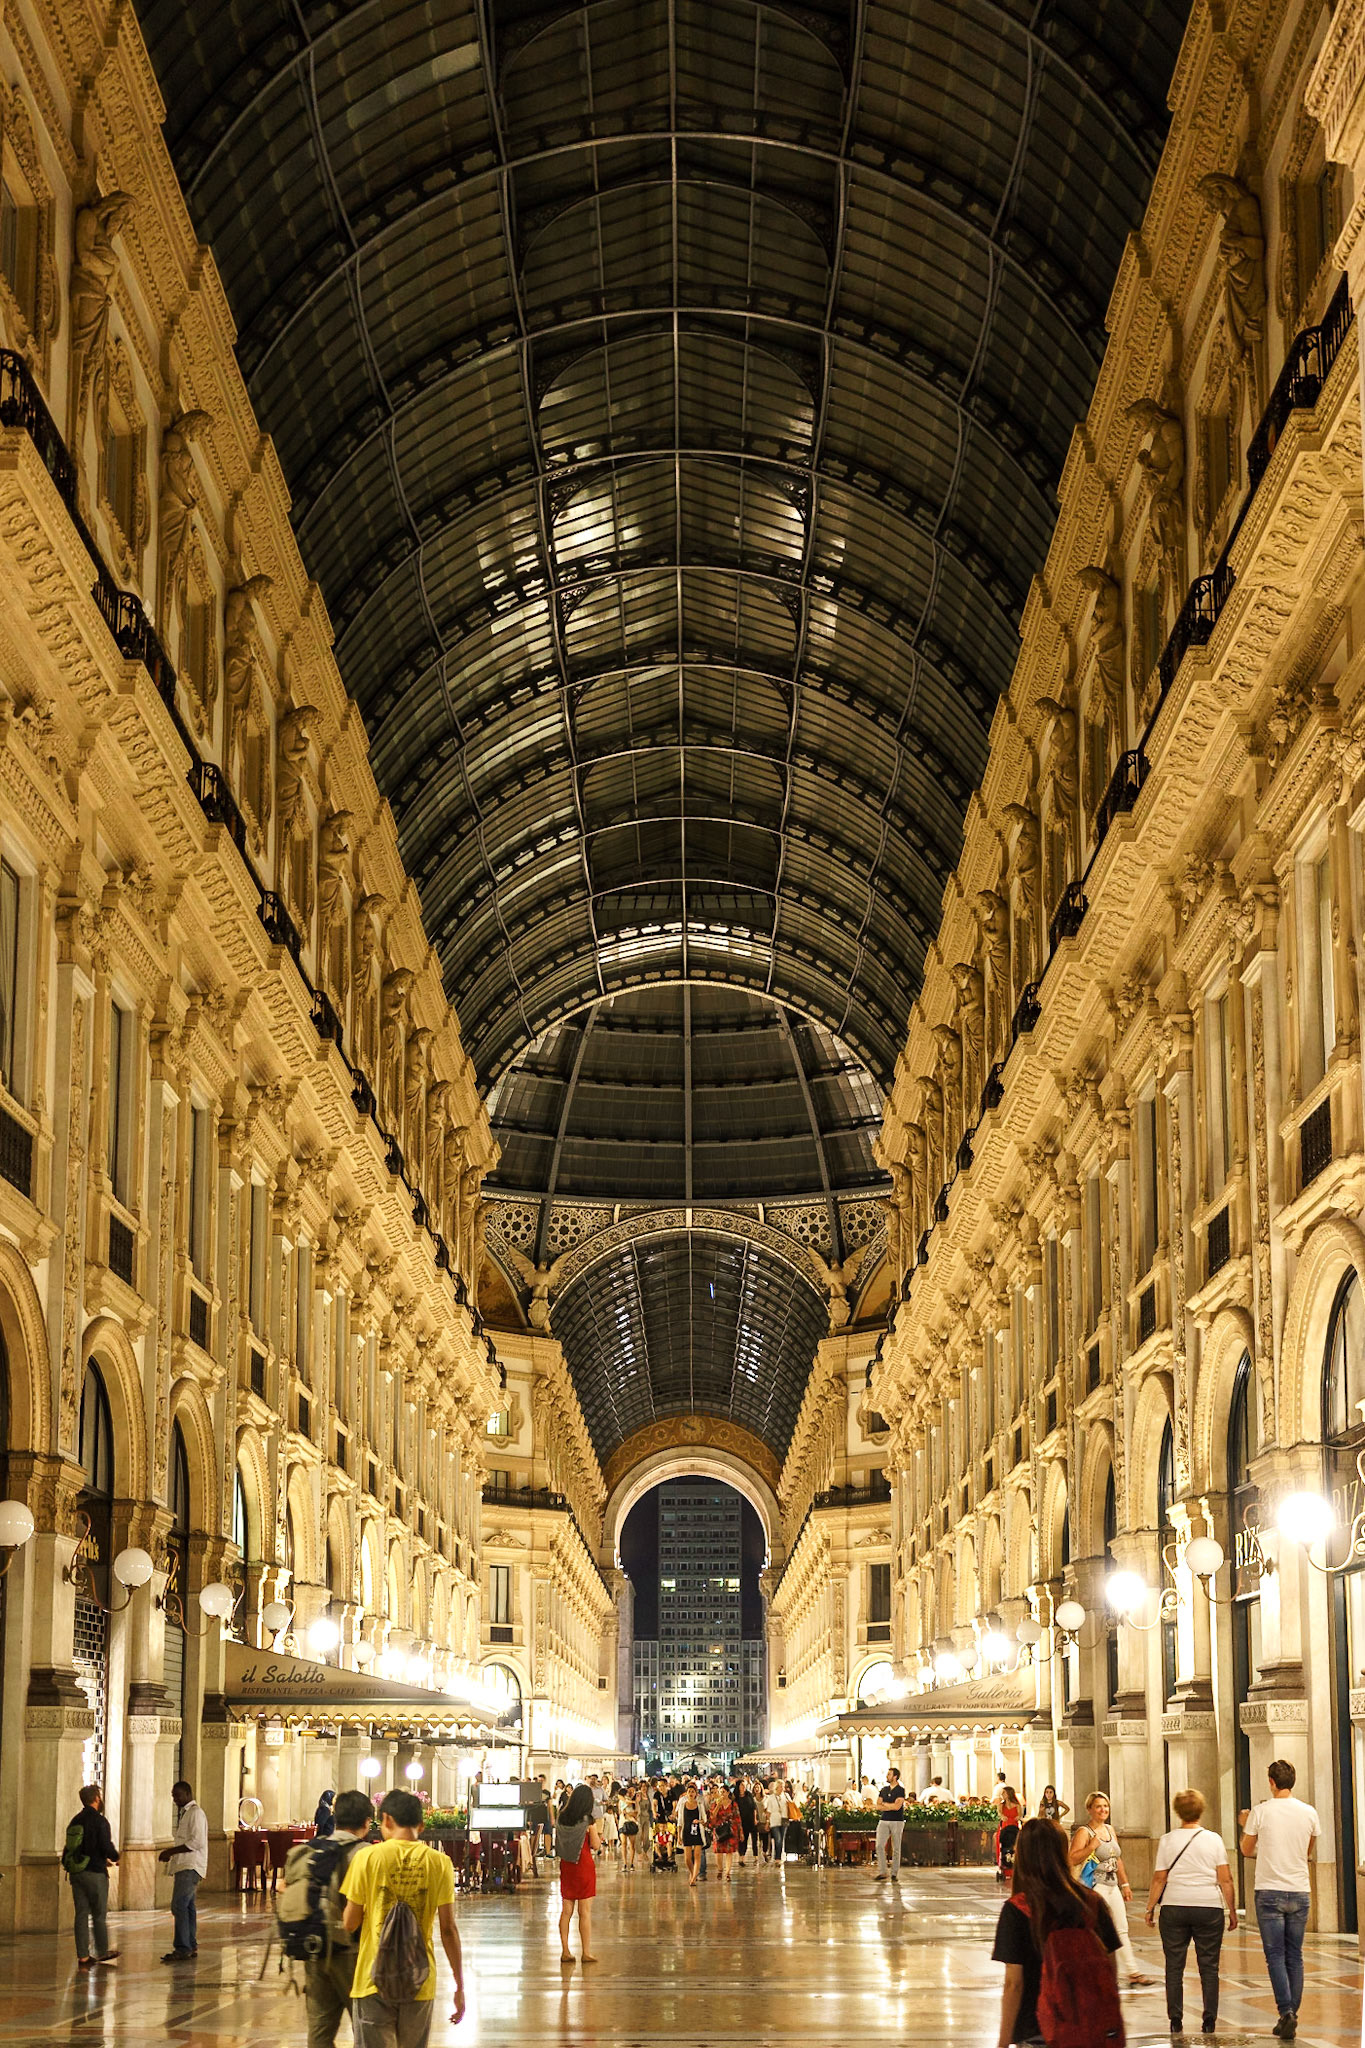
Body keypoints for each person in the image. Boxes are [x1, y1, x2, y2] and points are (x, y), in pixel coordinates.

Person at [341, 1787, 463, 2045]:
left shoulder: (367, 1858)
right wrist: (459, 1984)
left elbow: (350, 1922)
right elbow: (448, 1929)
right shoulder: (440, 1862)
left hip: (373, 1977)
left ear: (386, 1820)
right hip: (419, 1978)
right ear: (421, 1823)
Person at [992, 1817, 1122, 2048]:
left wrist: (1002, 2043)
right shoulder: (1092, 1903)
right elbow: (1110, 1967)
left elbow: (1014, 1983)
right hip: (1087, 2026)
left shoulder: (1018, 1910)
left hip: (1036, 2029)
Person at [1144, 1786, 1236, 2038]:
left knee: (1174, 1966)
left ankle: (1176, 2018)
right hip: (1208, 1907)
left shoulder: (1167, 1840)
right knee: (1209, 1967)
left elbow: (1159, 1878)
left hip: (1174, 1906)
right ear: (1200, 1810)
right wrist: (1232, 1910)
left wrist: (1151, 1907)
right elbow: (1225, 1879)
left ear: (1177, 1811)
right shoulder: (1214, 1839)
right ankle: (1209, 2020)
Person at [1239, 1758, 1321, 2040]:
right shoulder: (1309, 1812)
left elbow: (1246, 1850)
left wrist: (1245, 1825)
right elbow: (1307, 1850)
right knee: (1294, 1955)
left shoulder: (1260, 1812)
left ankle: (1286, 2011)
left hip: (1270, 1890)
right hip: (1299, 1889)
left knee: (1275, 1955)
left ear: (1271, 1782)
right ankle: (1290, 2015)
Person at [297, 1789, 374, 2048]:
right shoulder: (366, 1854)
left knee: (319, 2030)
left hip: (314, 1949)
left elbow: (285, 1888)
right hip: (353, 1953)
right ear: (367, 1822)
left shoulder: (312, 1849)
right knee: (365, 2027)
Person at [1068, 1789, 1155, 1986]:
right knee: (1091, 1929)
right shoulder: (1084, 1832)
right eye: (1098, 1806)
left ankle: (1133, 1972)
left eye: (1105, 1806)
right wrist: (1090, 1847)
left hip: (1111, 1884)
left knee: (1122, 1928)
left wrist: (1125, 1884)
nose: (1103, 1810)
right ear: (1089, 1809)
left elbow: (1117, 1859)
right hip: (1094, 1886)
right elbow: (1072, 1858)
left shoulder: (1110, 1830)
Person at [64, 1784, 119, 1968]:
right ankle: (102, 1951)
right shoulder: (100, 1821)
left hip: (77, 1873)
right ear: (96, 1798)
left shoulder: (75, 1820)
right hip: (95, 1873)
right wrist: (116, 1857)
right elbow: (105, 1846)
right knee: (98, 1914)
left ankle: (83, 1956)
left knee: (81, 1914)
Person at [158, 1780, 208, 1962]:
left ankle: (182, 1947)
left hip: (190, 1866)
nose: (175, 1799)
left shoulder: (195, 1813)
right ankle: (190, 1944)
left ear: (187, 1794)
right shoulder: (187, 1814)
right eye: (173, 1796)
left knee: (179, 1906)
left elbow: (196, 1842)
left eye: (177, 1795)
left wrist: (170, 1851)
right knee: (187, 1907)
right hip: (185, 1866)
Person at [555, 1783, 600, 1963]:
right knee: (585, 1912)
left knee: (566, 1911)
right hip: (583, 1866)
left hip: (567, 1866)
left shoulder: (561, 1818)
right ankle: (586, 1952)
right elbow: (595, 1845)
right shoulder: (588, 1821)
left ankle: (565, 1951)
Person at [874, 1766, 907, 1883]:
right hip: (884, 1820)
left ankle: (894, 1872)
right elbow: (877, 1805)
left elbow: (897, 1806)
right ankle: (883, 1871)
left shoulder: (900, 1790)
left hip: (897, 1821)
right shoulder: (883, 1789)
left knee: (896, 1847)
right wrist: (890, 1805)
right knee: (879, 1845)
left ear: (895, 1777)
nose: (887, 1776)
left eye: (889, 1774)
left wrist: (885, 1804)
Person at [709, 1778, 739, 1879]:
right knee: (718, 1851)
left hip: (731, 1829)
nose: (722, 1794)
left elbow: (737, 1818)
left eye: (724, 1792)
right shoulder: (715, 1803)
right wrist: (718, 1805)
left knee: (729, 1851)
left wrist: (740, 1831)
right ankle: (720, 1869)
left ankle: (728, 1872)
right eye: (720, 1792)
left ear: (728, 1792)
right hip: (719, 1830)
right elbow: (713, 1816)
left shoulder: (733, 1804)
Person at [679, 1782, 706, 1885]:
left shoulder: (699, 1805)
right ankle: (692, 1872)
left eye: (693, 1791)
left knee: (697, 1855)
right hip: (686, 1832)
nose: (691, 1793)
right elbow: (680, 1821)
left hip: (697, 1832)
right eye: (689, 1791)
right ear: (686, 1793)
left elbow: (704, 1819)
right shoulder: (682, 1805)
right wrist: (679, 1835)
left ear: (696, 1794)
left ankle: (694, 1878)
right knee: (687, 1858)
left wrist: (698, 1821)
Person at [996, 1786, 1023, 1882]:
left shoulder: (1017, 1805)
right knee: (1004, 1846)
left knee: (1014, 1847)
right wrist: (1002, 1816)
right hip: (1005, 1828)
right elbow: (999, 1813)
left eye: (1004, 1793)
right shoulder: (1001, 1805)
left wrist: (1018, 1817)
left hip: (1014, 1827)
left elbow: (1020, 1815)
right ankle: (1004, 1865)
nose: (1002, 1795)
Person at [764, 1777, 788, 1863]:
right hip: (774, 1820)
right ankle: (777, 1858)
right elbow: (768, 1811)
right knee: (778, 1839)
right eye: (781, 1786)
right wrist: (767, 1822)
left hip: (784, 1819)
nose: (783, 1788)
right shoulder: (771, 1798)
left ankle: (778, 1857)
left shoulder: (786, 1796)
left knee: (782, 1839)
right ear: (777, 1787)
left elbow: (791, 1806)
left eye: (783, 1786)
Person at [736, 1775, 758, 1862]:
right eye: (741, 1785)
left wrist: (755, 1818)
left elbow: (754, 1807)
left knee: (754, 1839)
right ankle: (742, 1856)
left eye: (744, 1785)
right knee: (743, 1839)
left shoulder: (748, 1795)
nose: (743, 1787)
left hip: (751, 1819)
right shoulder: (736, 1797)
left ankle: (756, 1856)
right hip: (741, 1821)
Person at [620, 1784, 640, 1872]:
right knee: (623, 1843)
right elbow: (622, 1812)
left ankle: (631, 1863)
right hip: (623, 1823)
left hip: (632, 1824)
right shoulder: (623, 1800)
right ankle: (624, 1863)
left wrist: (629, 1814)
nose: (631, 1793)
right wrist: (629, 1814)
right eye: (629, 1791)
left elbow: (636, 1813)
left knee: (632, 1844)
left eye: (633, 1791)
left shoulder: (636, 1802)